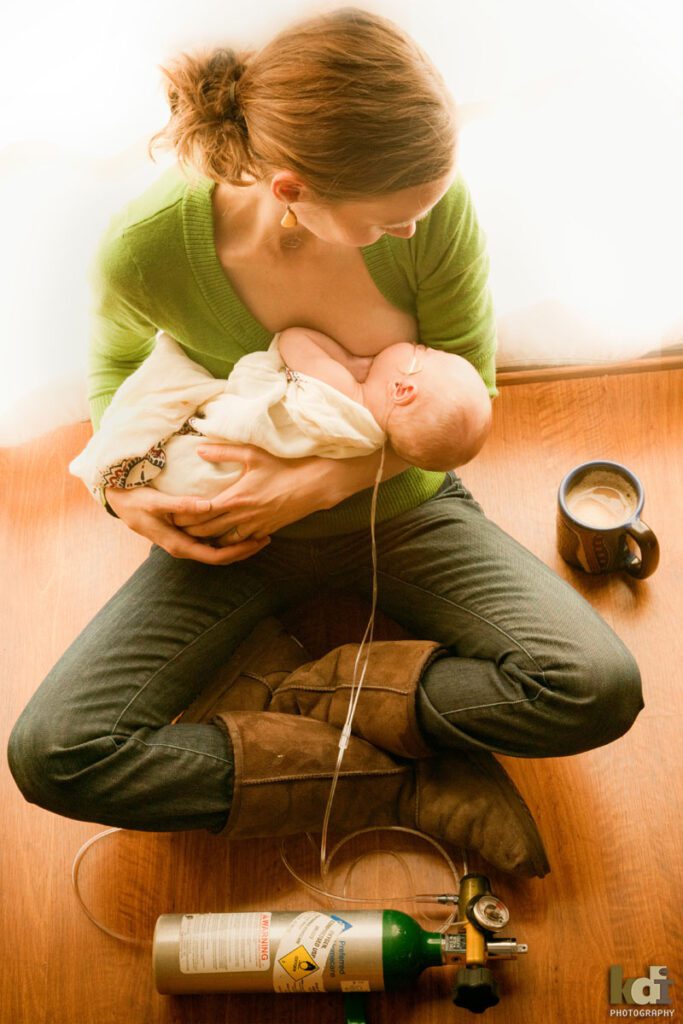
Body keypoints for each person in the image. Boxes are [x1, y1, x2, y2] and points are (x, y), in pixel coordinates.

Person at [7, 7, 643, 878]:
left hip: (406, 513)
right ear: (292, 190)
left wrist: (309, 487)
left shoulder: (434, 207)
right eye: (388, 221)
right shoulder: (146, 249)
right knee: (56, 755)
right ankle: (385, 780)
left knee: (596, 690)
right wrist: (126, 495)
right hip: (233, 540)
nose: (415, 230)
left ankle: (313, 699)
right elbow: (116, 376)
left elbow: (468, 388)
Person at [68, 326, 492, 501]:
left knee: (178, 391)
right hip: (231, 489)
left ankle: (128, 462)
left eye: (423, 351)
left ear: (402, 389)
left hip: (218, 467)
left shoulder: (346, 395)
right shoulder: (369, 440)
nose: (418, 344)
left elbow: (291, 340)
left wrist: (346, 359)